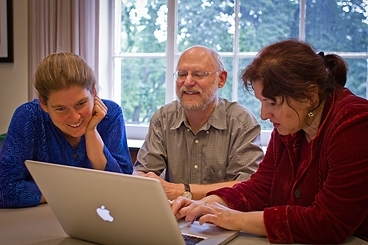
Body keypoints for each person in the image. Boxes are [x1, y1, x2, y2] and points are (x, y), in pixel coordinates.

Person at [171, 39, 368, 244]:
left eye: (272, 103)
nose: (264, 114)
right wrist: (207, 203)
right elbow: (262, 186)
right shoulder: (292, 122)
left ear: (309, 95)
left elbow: (327, 223)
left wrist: (232, 218)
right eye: (262, 102)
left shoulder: (355, 124)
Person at [0, 52, 133, 208]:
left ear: (94, 93)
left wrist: (91, 132)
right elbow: (5, 189)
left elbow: (123, 185)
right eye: (61, 108)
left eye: (81, 103)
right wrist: (77, 189)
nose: (75, 117)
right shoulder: (29, 117)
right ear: (43, 104)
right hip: (39, 220)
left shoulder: (110, 114)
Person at [134, 45, 264, 200]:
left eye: (198, 74)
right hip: (174, 218)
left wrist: (182, 191)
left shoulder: (241, 123)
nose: (188, 82)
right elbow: (142, 172)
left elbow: (247, 186)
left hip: (222, 219)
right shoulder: (163, 118)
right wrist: (142, 181)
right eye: (182, 74)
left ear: (221, 79)